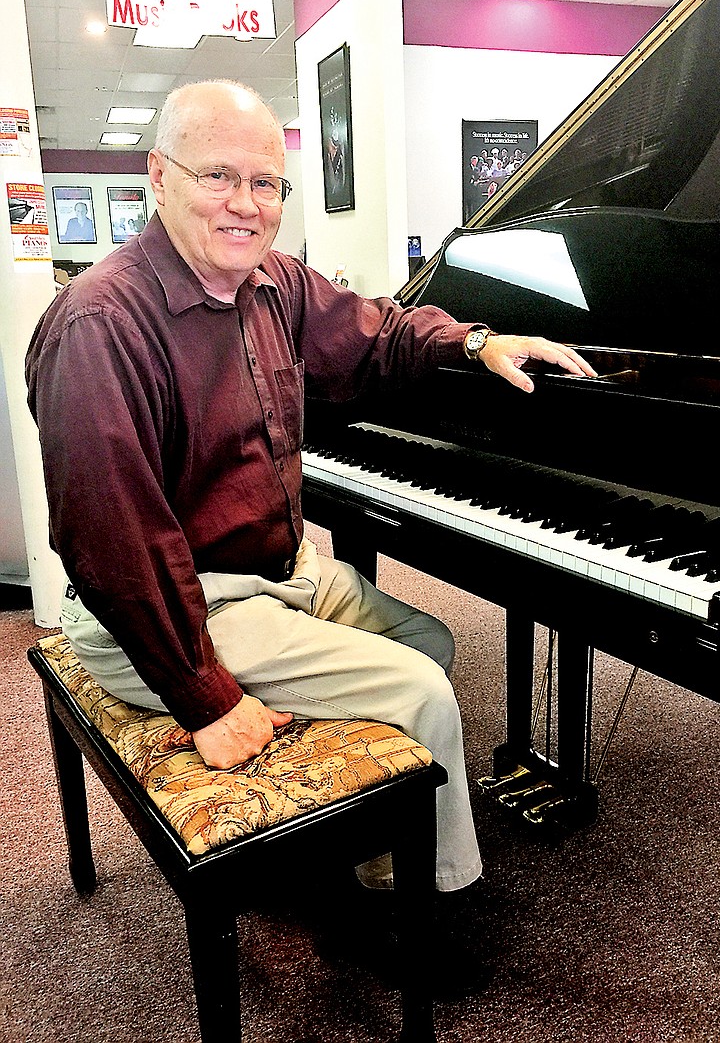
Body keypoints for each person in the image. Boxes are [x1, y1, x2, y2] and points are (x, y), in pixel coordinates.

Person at [26, 79, 595, 991]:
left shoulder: (271, 283)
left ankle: (361, 845)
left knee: (431, 640)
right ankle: (406, 912)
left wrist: (476, 339)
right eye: (219, 176)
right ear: (158, 176)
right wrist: (205, 696)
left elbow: (376, 335)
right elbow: (112, 545)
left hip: (275, 575)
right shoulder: (100, 324)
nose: (246, 204)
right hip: (165, 609)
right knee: (417, 690)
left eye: (267, 182)